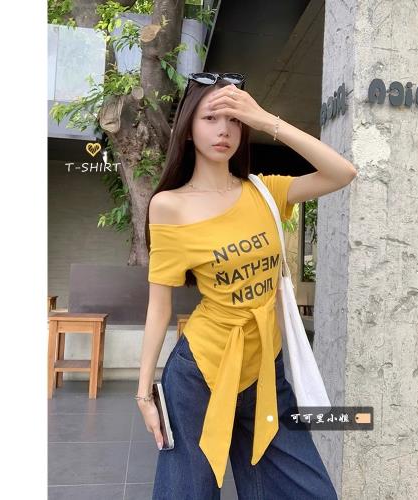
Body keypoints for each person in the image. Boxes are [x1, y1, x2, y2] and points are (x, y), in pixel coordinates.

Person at [136, 72, 357, 499]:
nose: (224, 130)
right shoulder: (169, 206)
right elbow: (159, 306)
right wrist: (145, 394)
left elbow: (342, 172)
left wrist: (265, 118)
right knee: (189, 493)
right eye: (211, 118)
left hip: (265, 371)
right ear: (188, 129)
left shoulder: (265, 192)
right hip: (201, 374)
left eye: (234, 120)